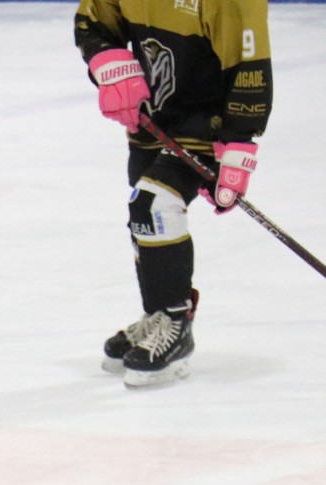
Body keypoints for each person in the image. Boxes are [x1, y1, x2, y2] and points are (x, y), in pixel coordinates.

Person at [75, 0, 272, 387]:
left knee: (153, 204)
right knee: (142, 213)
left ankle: (175, 323)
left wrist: (238, 143)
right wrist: (106, 60)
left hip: (209, 124)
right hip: (153, 115)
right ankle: (159, 316)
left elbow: (249, 64)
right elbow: (93, 21)